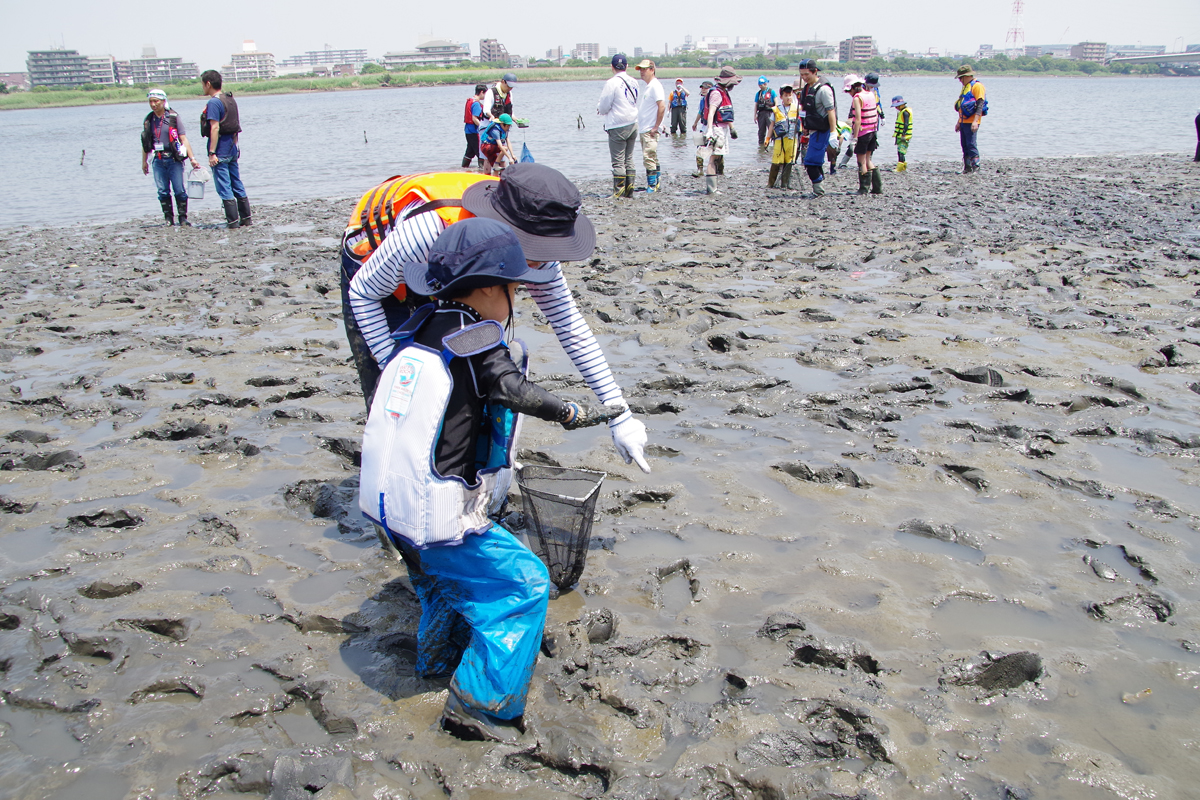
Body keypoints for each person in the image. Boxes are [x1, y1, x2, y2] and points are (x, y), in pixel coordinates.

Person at [358, 216, 622, 743]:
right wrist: (568, 410)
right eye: (513, 288)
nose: (517, 299)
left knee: (439, 587)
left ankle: (433, 662)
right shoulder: (475, 334)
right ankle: (480, 706)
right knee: (523, 585)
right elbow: (509, 388)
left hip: (392, 512)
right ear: (484, 289)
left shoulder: (418, 328)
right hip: (438, 513)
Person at [342, 163, 651, 473]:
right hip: (376, 272)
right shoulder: (427, 231)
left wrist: (621, 416)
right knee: (397, 402)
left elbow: (569, 325)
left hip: (453, 269)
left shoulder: (539, 234)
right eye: (535, 252)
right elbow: (363, 293)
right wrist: (396, 372)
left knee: (466, 379)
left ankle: (466, 472)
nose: (541, 263)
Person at [200, 69, 251, 228]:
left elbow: (214, 128)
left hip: (221, 150)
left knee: (224, 186)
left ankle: (233, 222)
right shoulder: (230, 99)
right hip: (232, 148)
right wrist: (235, 146)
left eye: (203, 84)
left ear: (208, 84)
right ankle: (246, 219)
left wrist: (212, 153)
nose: (202, 87)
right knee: (236, 182)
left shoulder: (214, 102)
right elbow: (235, 126)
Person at [140, 89, 199, 227]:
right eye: (150, 101)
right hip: (158, 160)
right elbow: (145, 142)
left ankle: (183, 218)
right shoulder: (149, 120)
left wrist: (192, 159)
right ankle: (168, 219)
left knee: (179, 189)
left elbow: (183, 138)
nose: (153, 104)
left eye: (156, 101)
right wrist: (144, 161)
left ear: (163, 101)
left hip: (174, 159)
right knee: (162, 190)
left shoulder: (173, 117)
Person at [597, 54, 639, 198]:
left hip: (617, 124)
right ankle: (630, 190)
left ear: (612, 67)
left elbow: (603, 106)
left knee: (618, 161)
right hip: (633, 122)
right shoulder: (634, 82)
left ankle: (619, 191)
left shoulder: (611, 83)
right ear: (627, 66)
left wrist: (600, 109)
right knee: (629, 158)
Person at [798, 60, 837, 198]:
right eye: (802, 75)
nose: (804, 77)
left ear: (815, 71)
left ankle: (818, 191)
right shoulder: (807, 88)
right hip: (813, 130)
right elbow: (805, 109)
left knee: (810, 162)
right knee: (815, 161)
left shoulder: (824, 90)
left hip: (823, 130)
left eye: (807, 74)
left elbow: (831, 111)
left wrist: (833, 133)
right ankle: (819, 188)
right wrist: (805, 128)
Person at [702, 66, 741, 196]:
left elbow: (725, 113)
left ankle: (713, 187)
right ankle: (711, 189)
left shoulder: (722, 91)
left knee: (716, 157)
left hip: (720, 128)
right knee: (712, 158)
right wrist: (709, 130)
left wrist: (731, 128)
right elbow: (711, 112)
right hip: (715, 128)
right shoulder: (717, 93)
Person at [634, 59, 666, 193]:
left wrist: (656, 126)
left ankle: (652, 185)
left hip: (650, 129)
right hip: (645, 128)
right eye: (640, 69)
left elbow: (662, 106)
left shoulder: (655, 85)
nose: (641, 72)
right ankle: (656, 183)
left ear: (652, 70)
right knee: (652, 156)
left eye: (644, 69)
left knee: (648, 156)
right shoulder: (649, 86)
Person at [848, 74, 881, 195]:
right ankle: (877, 188)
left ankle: (863, 188)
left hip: (863, 133)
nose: (849, 93)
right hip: (872, 131)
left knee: (861, 161)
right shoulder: (870, 94)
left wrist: (855, 138)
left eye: (848, 91)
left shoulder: (857, 98)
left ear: (853, 88)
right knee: (868, 159)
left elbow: (857, 119)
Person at [954, 64, 986, 174]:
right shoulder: (966, 87)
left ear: (967, 76)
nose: (960, 80)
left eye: (960, 78)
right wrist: (958, 122)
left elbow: (980, 104)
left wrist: (975, 121)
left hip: (972, 121)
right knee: (964, 144)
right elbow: (962, 106)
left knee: (971, 144)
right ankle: (967, 167)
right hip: (963, 121)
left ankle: (976, 167)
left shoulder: (977, 86)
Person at [767, 84, 799, 189]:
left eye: (790, 95)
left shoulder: (797, 109)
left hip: (792, 140)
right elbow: (771, 125)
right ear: (781, 97)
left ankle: (785, 183)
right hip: (779, 140)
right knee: (776, 161)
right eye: (786, 95)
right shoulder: (776, 110)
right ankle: (770, 183)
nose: (788, 97)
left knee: (789, 161)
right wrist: (767, 138)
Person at [691, 80, 714, 177]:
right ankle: (700, 169)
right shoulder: (702, 100)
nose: (703, 90)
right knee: (699, 145)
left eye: (706, 88)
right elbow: (700, 112)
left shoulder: (713, 99)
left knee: (715, 148)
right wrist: (695, 123)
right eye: (702, 88)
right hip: (704, 125)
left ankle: (719, 170)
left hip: (713, 126)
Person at [462, 84, 486, 169]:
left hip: (468, 130)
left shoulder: (471, 100)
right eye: (485, 94)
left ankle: (464, 169)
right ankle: (483, 170)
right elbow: (474, 118)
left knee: (470, 152)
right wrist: (483, 128)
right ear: (482, 92)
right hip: (474, 131)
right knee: (480, 152)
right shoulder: (476, 104)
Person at [753, 76, 777, 148]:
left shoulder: (772, 92)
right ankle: (761, 147)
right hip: (761, 114)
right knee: (761, 132)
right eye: (759, 85)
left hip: (770, 114)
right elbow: (756, 105)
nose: (761, 86)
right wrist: (755, 116)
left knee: (772, 130)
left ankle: (775, 146)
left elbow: (776, 102)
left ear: (766, 83)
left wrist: (776, 113)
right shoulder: (758, 93)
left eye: (762, 84)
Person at [892, 95, 913, 172]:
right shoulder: (901, 112)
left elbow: (906, 124)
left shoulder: (905, 113)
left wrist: (903, 134)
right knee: (901, 151)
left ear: (902, 104)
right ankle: (903, 165)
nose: (896, 108)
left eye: (897, 106)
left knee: (901, 151)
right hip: (900, 135)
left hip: (904, 136)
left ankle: (900, 167)